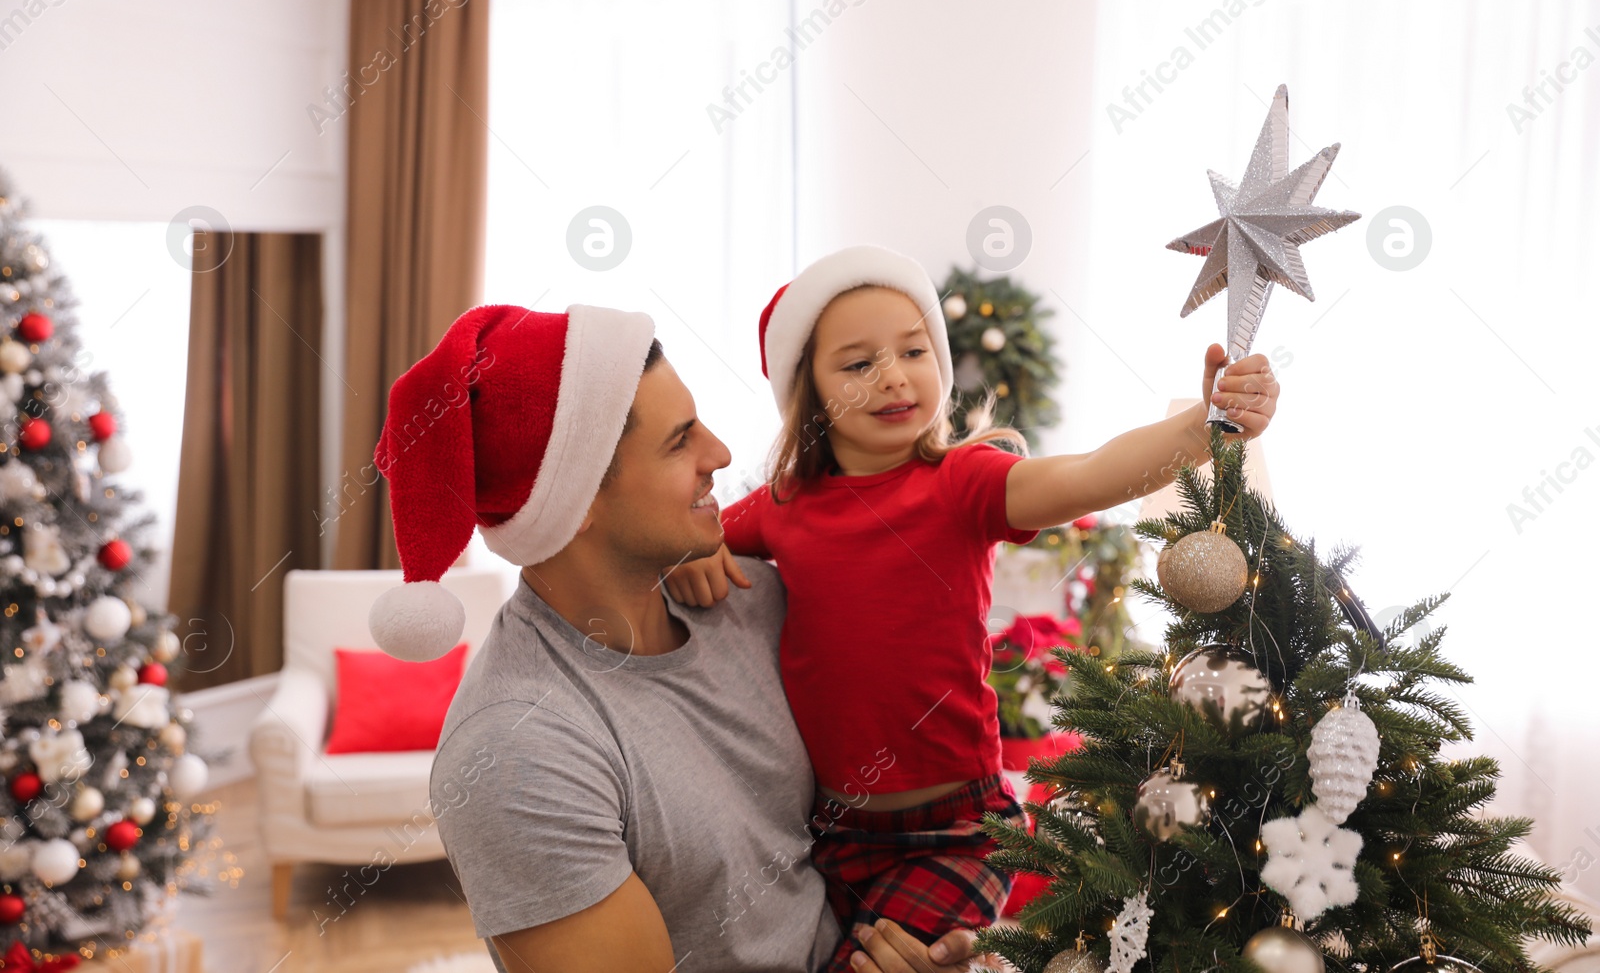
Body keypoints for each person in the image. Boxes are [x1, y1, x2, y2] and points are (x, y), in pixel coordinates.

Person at [664, 245, 1281, 957]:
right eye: (858, 364)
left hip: (956, 830)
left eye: (914, 350)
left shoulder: (961, 482)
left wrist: (1198, 425)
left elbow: (1086, 473)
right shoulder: (781, 508)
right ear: (808, 392)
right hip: (830, 832)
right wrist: (694, 548)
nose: (894, 376)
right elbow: (682, 532)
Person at [365, 302, 979, 973]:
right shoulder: (519, 753)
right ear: (578, 505)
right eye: (679, 440)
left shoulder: (758, 601)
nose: (720, 453)